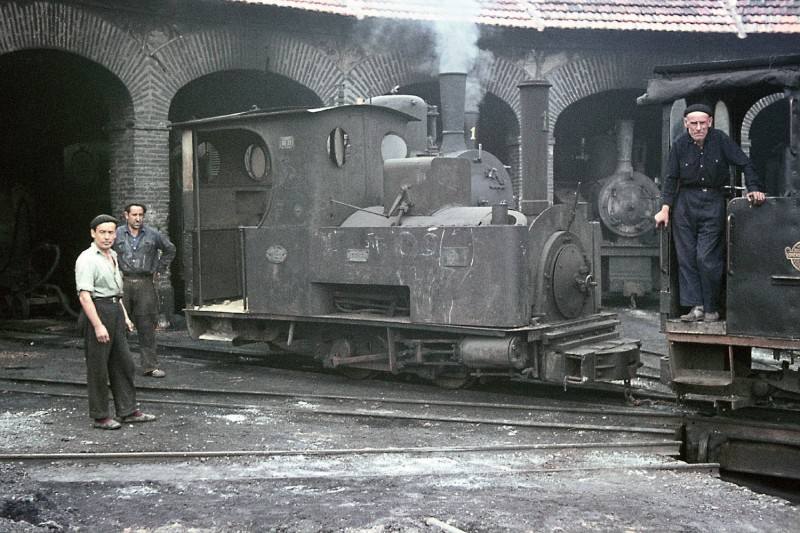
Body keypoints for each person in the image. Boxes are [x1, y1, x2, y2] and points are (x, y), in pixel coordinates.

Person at [654, 103, 766, 322]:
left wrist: (754, 188)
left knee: (706, 257)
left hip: (713, 202)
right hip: (685, 204)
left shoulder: (721, 140)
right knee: (687, 257)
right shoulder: (679, 146)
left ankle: (711, 307)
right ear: (686, 124)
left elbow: (745, 163)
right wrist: (665, 208)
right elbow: (671, 179)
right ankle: (696, 307)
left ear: (710, 122)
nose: (698, 128)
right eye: (693, 123)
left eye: (702, 123)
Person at [75, 214, 157, 430]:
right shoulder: (87, 259)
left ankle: (128, 411)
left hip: (114, 311)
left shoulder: (112, 255)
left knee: (124, 364)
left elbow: (116, 293)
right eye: (102, 232)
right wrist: (98, 325)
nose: (107, 237)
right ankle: (100, 416)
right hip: (97, 311)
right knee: (98, 368)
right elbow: (84, 296)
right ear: (93, 233)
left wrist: (126, 317)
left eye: (111, 232)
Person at [113, 203, 176, 378]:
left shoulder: (152, 234)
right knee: (119, 324)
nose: (138, 218)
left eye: (141, 215)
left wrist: (159, 268)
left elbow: (170, 249)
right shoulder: (117, 234)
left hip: (145, 283)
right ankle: (120, 367)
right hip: (123, 282)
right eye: (134, 215)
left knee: (146, 325)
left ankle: (150, 366)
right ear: (126, 215)